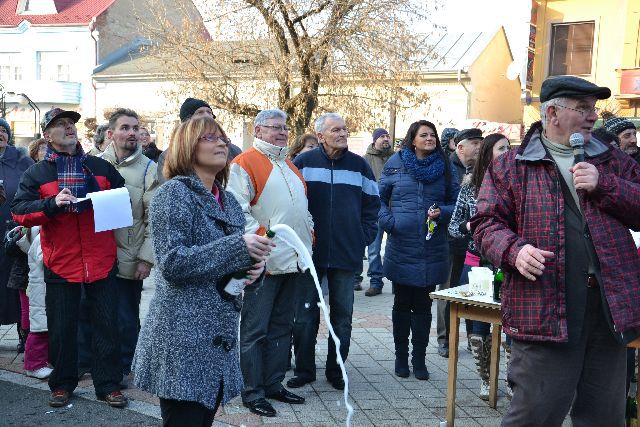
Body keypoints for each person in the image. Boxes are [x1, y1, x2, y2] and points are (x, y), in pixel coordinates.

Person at [472, 76, 640, 425]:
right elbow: (484, 224)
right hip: (544, 307)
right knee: (535, 415)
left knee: (605, 418)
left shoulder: (611, 160)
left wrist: (605, 184)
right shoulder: (511, 165)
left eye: (594, 108)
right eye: (582, 108)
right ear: (552, 113)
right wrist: (514, 251)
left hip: (608, 308)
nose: (593, 116)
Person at [132, 115, 272, 427]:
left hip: (218, 338)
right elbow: (173, 263)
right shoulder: (173, 194)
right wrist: (238, 247)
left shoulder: (228, 201)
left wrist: (253, 269)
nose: (222, 143)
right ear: (187, 147)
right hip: (183, 338)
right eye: (210, 138)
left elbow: (231, 263)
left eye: (223, 138)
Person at [11, 108, 127, 408]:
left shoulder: (99, 167)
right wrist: (51, 204)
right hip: (61, 261)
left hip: (101, 259)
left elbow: (122, 199)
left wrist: (106, 203)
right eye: (60, 124)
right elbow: (19, 211)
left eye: (71, 123)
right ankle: (62, 383)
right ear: (47, 135)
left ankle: (108, 384)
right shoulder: (37, 173)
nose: (69, 127)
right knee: (62, 328)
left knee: (107, 326)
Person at [227, 109, 312, 417]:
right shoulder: (244, 163)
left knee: (281, 327)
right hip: (263, 262)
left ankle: (274, 383)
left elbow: (302, 209)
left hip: (293, 260)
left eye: (285, 128)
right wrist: (263, 241)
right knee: (255, 330)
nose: (282, 132)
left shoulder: (289, 165)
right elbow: (237, 212)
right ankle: (252, 391)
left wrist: (309, 236)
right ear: (258, 131)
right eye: (275, 128)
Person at [289, 113, 380, 390]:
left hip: (346, 252)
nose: (342, 134)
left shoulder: (359, 165)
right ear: (320, 136)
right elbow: (290, 203)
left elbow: (373, 204)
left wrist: (361, 237)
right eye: (335, 130)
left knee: (342, 318)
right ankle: (304, 370)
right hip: (309, 253)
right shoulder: (303, 163)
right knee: (305, 316)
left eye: (344, 129)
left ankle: (336, 369)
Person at [378, 120, 459, 380]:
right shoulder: (396, 163)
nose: (430, 138)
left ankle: (420, 359)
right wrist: (390, 223)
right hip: (401, 245)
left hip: (431, 247)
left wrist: (441, 212)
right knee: (402, 304)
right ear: (412, 139)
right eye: (424, 135)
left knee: (423, 307)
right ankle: (401, 358)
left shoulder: (445, 165)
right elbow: (377, 199)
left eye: (432, 134)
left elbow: (456, 203)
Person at [448, 133, 509, 399]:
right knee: (479, 327)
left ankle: (512, 379)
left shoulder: (518, 184)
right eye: (501, 148)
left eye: (509, 148)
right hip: (477, 266)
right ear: (488, 153)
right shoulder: (470, 186)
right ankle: (486, 379)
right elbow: (453, 228)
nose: (507, 152)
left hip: (508, 264)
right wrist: (470, 225)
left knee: (512, 325)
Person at [99, 108, 158, 385]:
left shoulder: (149, 168)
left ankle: (126, 366)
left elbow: (154, 219)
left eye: (135, 127)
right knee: (97, 314)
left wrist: (146, 259)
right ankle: (96, 363)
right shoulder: (95, 163)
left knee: (126, 317)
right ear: (111, 133)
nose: (132, 132)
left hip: (130, 257)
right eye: (125, 128)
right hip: (97, 256)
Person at [437, 128, 483, 358]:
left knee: (474, 291)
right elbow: (440, 202)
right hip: (451, 239)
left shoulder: (482, 169)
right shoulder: (446, 168)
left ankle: (474, 337)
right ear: (460, 146)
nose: (479, 147)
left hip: (476, 245)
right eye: (474, 143)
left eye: (481, 142)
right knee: (449, 290)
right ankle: (445, 339)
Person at [0, 118, 34, 349]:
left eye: (3, 130)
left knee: (18, 283)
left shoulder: (23, 161)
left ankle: (24, 333)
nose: (0, 134)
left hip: (16, 233)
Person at [157, 98, 242, 183]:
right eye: (200, 112)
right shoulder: (169, 155)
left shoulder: (233, 150)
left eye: (209, 112)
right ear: (187, 121)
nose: (207, 116)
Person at [359, 127, 394, 296]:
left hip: (395, 209)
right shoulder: (365, 160)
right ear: (375, 140)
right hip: (375, 210)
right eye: (382, 136)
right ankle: (375, 282)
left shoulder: (397, 158)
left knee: (396, 249)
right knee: (373, 249)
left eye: (387, 136)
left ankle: (398, 282)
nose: (386, 139)